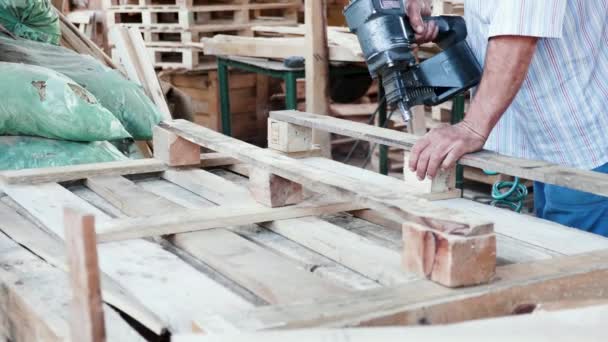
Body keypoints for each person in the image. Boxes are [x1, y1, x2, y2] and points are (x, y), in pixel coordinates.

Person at [404, 0, 608, 236]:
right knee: (556, 240)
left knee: (583, 260)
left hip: (584, 140)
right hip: (547, 133)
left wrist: (472, 127)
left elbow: (519, 32)